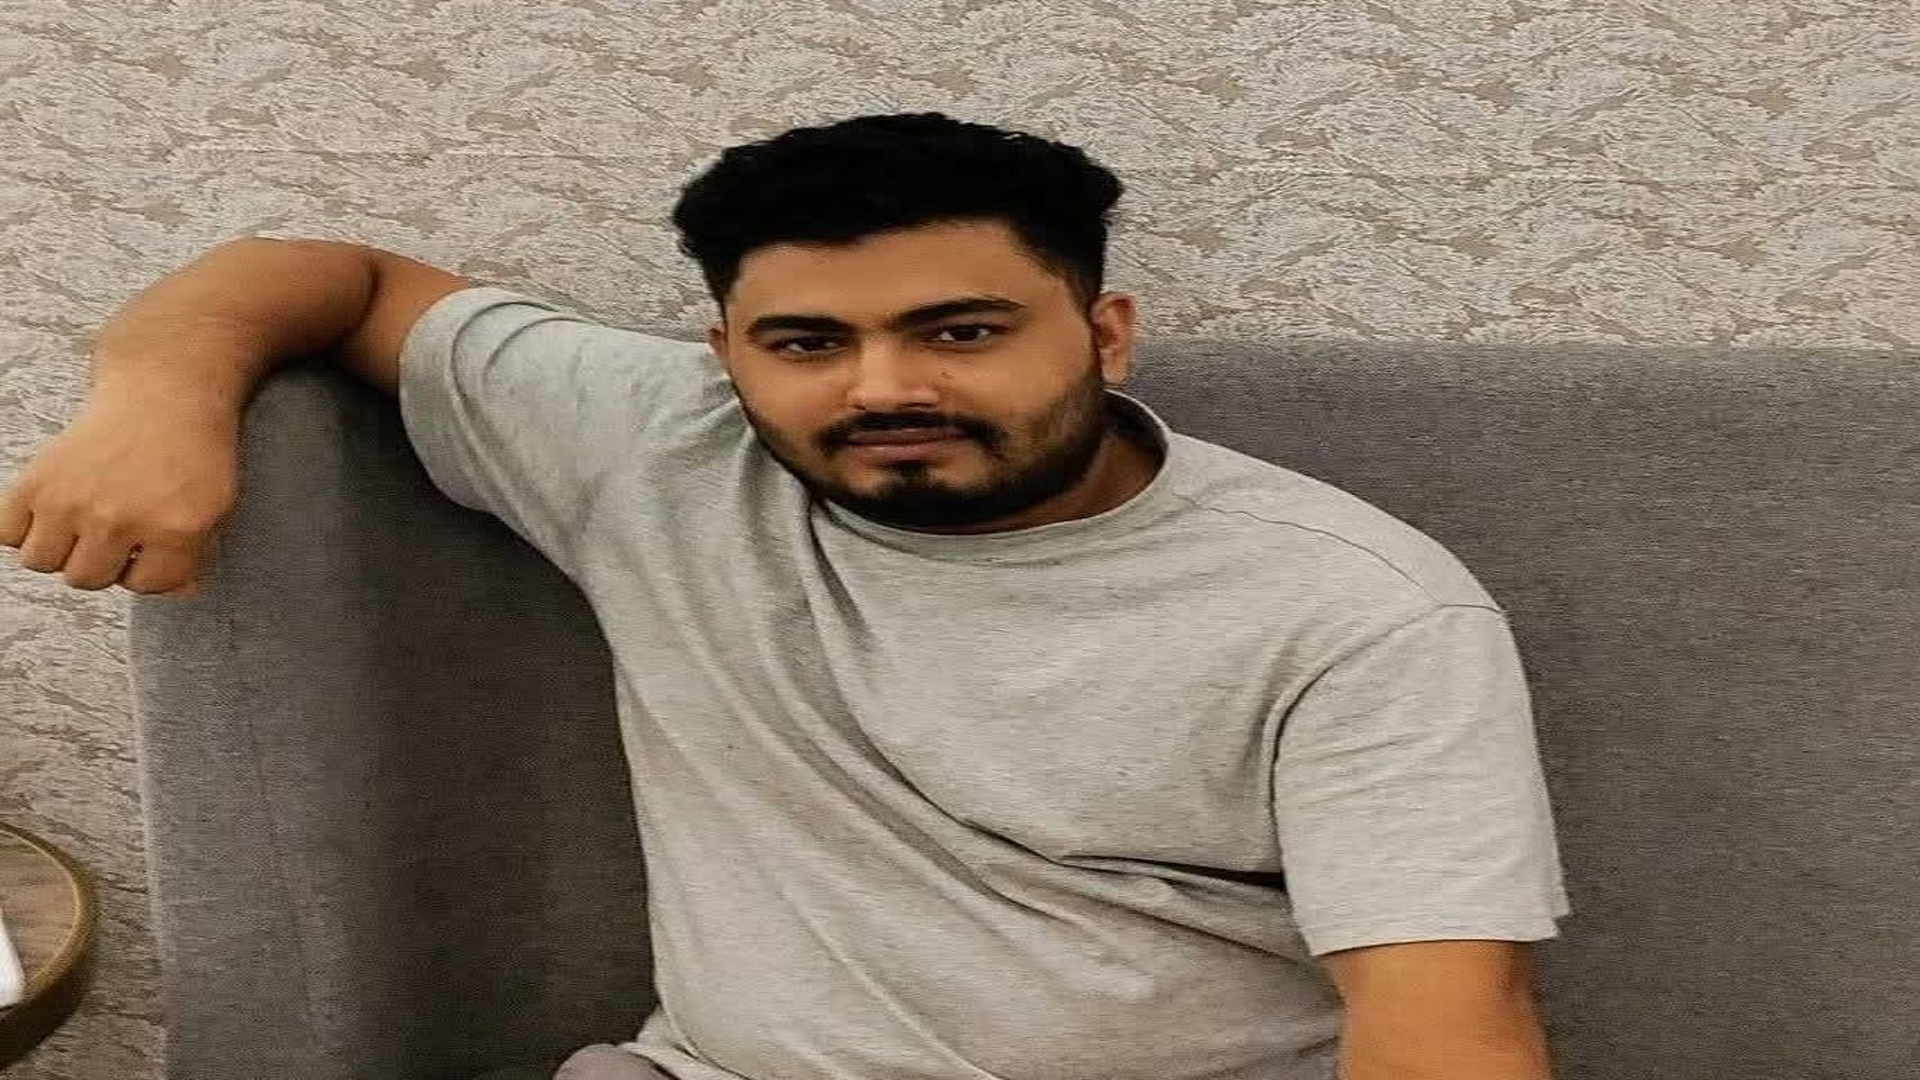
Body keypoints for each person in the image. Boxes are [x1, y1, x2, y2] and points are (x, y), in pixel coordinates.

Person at [1, 111, 1571, 1080]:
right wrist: (158, 397)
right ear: (726, 355)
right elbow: (326, 274)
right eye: (808, 342)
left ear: (1106, 335)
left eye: (961, 331)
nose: (882, 387)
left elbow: (1447, 1025)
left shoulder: (1354, 606)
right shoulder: (663, 443)